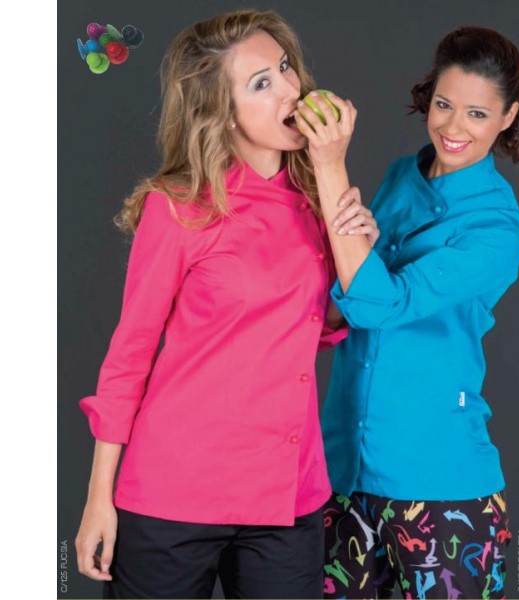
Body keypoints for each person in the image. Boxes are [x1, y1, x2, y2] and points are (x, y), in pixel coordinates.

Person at [74, 9, 375, 599]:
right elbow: (130, 356)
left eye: (284, 67)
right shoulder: (178, 206)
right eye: (261, 83)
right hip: (174, 492)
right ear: (222, 112)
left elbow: (330, 322)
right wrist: (98, 500)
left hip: (285, 496)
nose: (290, 89)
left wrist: (345, 219)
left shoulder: (319, 198)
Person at [302, 26, 519, 599]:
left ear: (507, 117)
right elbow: (346, 298)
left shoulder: (498, 228)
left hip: (441, 486)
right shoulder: (402, 176)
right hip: (344, 471)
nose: (454, 127)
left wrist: (330, 166)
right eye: (445, 104)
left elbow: (382, 304)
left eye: (478, 114)